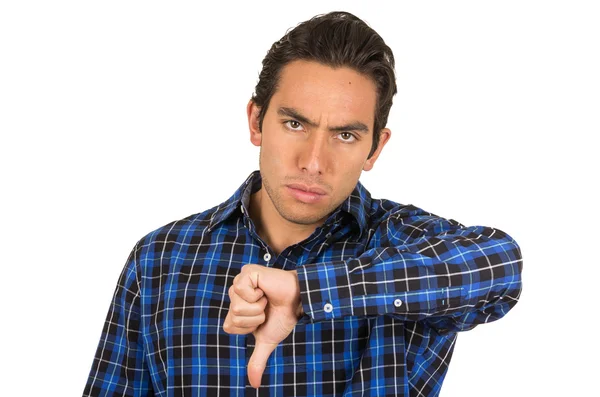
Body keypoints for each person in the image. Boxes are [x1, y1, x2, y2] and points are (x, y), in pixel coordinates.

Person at [83, 11, 522, 397]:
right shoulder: (160, 260)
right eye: (295, 123)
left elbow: (500, 265)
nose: (314, 162)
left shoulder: (403, 243)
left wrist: (305, 292)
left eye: (345, 135)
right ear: (256, 121)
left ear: (374, 149)